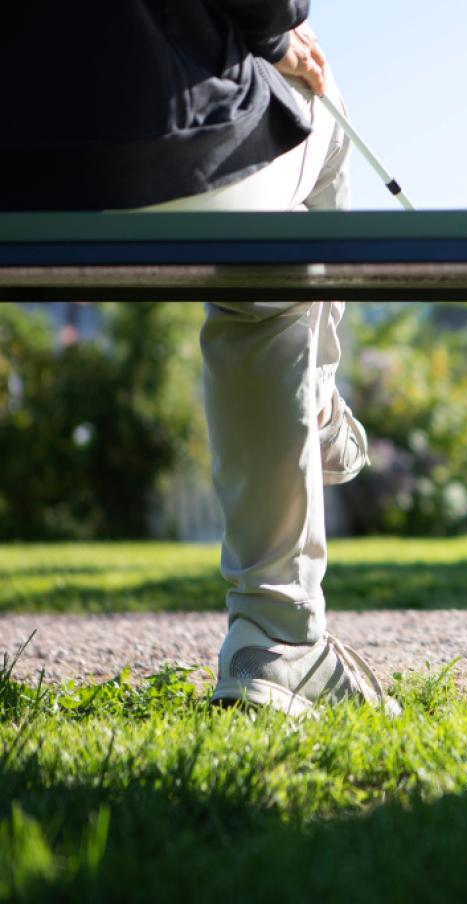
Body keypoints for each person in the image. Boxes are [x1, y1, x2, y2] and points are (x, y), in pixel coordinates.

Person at [1, 2, 396, 715]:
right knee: (322, 121)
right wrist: (274, 35)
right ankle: (276, 639)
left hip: (17, 177)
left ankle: (315, 396)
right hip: (172, 144)